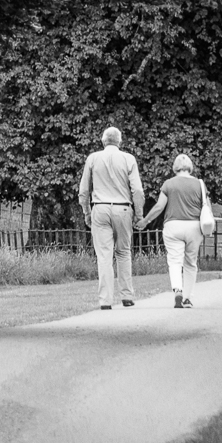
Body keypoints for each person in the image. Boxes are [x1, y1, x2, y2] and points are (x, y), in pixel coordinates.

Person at [78, 126, 145, 309]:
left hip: (99, 208)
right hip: (123, 209)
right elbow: (137, 190)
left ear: (103, 141)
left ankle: (106, 300)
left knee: (104, 256)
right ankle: (127, 296)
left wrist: (86, 212)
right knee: (123, 252)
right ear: (119, 141)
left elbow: (84, 190)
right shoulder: (128, 158)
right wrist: (139, 214)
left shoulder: (92, 158)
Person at [136, 153, 209, 308]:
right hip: (194, 227)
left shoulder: (169, 184)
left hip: (173, 226)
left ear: (175, 167)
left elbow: (159, 207)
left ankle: (177, 290)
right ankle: (187, 298)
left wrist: (145, 221)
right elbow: (206, 207)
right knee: (190, 263)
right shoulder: (199, 184)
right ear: (190, 167)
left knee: (175, 261)